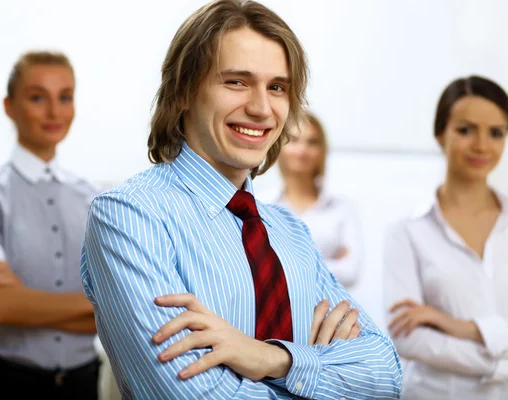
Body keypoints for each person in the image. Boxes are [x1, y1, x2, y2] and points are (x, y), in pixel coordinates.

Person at [81, 1, 402, 399]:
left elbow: (385, 375)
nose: (261, 108)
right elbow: (192, 395)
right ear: (183, 90)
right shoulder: (129, 216)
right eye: (236, 81)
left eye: (277, 87)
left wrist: (273, 359)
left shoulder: (291, 233)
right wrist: (321, 374)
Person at [0, 51, 99, 400]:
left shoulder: (94, 199)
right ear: (9, 106)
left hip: (81, 383)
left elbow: (117, 315)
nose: (54, 112)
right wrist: (94, 303)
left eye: (65, 97)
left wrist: (25, 301)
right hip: (2, 382)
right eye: (38, 97)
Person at [384, 75, 508, 399]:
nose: (482, 145)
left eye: (496, 133)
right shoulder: (406, 229)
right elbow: (408, 337)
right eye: (466, 130)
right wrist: (498, 363)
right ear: (440, 134)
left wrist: (456, 325)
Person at [260, 111, 363, 288]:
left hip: (330, 310)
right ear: (279, 146)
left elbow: (350, 272)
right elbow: (257, 270)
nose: (302, 150)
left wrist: (284, 264)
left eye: (312, 142)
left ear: (322, 150)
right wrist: (327, 263)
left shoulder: (342, 207)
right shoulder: (261, 205)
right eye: (294, 140)